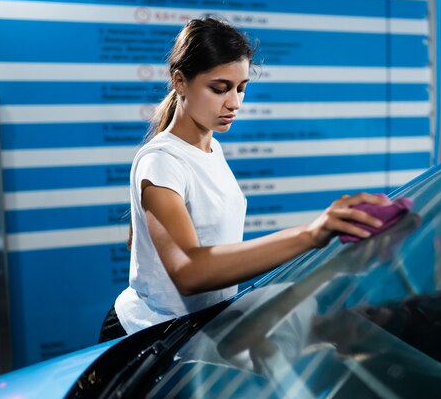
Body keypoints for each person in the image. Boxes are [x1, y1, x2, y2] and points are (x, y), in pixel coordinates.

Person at [99, 17, 390, 342]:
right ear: (180, 82)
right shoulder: (162, 161)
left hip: (196, 330)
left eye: (241, 88)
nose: (234, 103)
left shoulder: (213, 150)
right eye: (219, 88)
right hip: (146, 337)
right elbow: (189, 272)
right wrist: (311, 234)